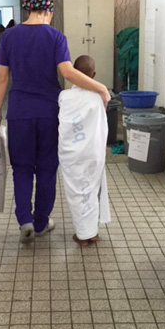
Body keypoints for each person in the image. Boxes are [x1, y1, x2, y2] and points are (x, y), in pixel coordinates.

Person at [0, 0, 110, 244]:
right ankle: (41, 222)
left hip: (19, 113)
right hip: (48, 114)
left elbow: (2, 77)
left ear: (27, 9)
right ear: (48, 10)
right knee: (46, 168)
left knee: (21, 168)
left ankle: (24, 219)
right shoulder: (55, 36)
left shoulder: (9, 37)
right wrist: (99, 87)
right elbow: (67, 73)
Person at [58, 55, 111, 246]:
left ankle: (83, 234)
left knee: (76, 191)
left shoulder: (64, 96)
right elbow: (102, 125)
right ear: (93, 75)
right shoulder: (98, 96)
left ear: (72, 71)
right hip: (93, 151)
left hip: (72, 153)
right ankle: (92, 232)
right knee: (92, 188)